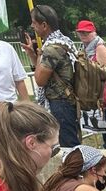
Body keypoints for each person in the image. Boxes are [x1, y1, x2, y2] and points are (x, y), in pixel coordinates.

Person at [21, 5, 80, 148]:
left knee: (68, 147)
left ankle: (73, 170)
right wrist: (32, 55)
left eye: (34, 23)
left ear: (44, 25)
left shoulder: (52, 49)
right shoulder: (63, 41)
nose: (32, 26)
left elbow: (40, 80)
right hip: (67, 101)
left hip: (60, 103)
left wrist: (39, 56)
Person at [76, 19, 106, 149]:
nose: (83, 35)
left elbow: (105, 74)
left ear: (93, 32)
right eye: (80, 32)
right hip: (93, 94)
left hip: (104, 94)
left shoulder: (100, 47)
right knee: (102, 127)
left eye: (86, 32)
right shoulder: (84, 49)